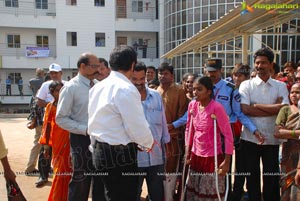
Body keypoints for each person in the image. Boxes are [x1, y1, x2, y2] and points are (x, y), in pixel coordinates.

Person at [88, 45, 154, 201]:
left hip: (99, 151)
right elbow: (136, 126)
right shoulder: (126, 89)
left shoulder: (97, 87)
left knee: (107, 195)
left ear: (110, 64)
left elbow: (92, 120)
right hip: (120, 156)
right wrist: (148, 142)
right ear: (132, 65)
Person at [205, 58, 263, 197]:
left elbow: (239, 114)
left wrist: (254, 130)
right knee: (207, 165)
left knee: (225, 165)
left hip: (225, 132)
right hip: (206, 131)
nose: (211, 74)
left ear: (221, 71)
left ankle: (225, 195)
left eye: (214, 71)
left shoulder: (231, 90)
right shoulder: (202, 86)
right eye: (209, 71)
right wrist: (175, 124)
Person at [239, 47, 289, 201]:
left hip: (272, 139)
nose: (259, 66)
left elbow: (284, 110)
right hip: (250, 138)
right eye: (257, 63)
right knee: (252, 177)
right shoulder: (246, 85)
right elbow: (245, 109)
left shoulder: (280, 86)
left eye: (263, 63)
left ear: (271, 64)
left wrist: (257, 106)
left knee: (271, 178)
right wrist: (274, 108)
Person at [56, 52, 103, 201]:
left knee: (100, 183)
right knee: (80, 183)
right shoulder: (71, 88)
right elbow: (61, 118)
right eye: (94, 66)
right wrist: (85, 129)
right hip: (81, 141)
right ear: (83, 66)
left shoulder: (98, 86)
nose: (98, 69)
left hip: (101, 141)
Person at [185, 76, 233, 200]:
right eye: (194, 89)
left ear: (209, 91)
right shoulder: (192, 106)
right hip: (196, 155)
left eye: (199, 89)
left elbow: (228, 135)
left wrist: (227, 161)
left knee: (209, 192)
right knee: (195, 191)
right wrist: (188, 151)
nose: (195, 92)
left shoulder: (217, 108)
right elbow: (189, 130)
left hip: (212, 157)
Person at [131, 62, 170, 201]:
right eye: (134, 79)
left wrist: (166, 146)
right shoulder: (126, 99)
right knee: (133, 194)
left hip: (157, 157)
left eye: (142, 79)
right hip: (135, 159)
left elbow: (163, 123)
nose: (139, 83)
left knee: (157, 194)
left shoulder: (156, 96)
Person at [156, 62, 188, 200]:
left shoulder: (179, 91)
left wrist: (172, 127)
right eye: (160, 73)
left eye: (166, 74)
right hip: (157, 140)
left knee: (171, 172)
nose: (162, 76)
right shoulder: (155, 91)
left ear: (172, 76)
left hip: (174, 139)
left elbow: (183, 115)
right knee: (159, 172)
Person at [39, 81, 72, 201]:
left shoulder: (70, 105)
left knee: (70, 168)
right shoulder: (50, 106)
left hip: (71, 140)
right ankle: (57, 197)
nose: (60, 92)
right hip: (58, 141)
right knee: (59, 169)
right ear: (52, 93)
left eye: (62, 89)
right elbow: (47, 127)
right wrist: (46, 147)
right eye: (57, 90)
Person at [35, 63, 65, 187]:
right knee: (45, 149)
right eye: (51, 73)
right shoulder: (45, 85)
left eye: (56, 72)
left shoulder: (67, 85)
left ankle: (64, 176)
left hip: (63, 127)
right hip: (49, 122)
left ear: (61, 73)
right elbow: (39, 101)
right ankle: (43, 176)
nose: (53, 75)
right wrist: (53, 105)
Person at [274, 83, 300, 200]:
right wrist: (297, 133)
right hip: (288, 154)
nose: (294, 95)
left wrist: (288, 132)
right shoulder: (285, 110)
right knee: (286, 185)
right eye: (292, 92)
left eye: (298, 92)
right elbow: (277, 132)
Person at [25, 68, 45, 176]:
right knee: (39, 143)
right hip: (41, 120)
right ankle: (30, 167)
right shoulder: (43, 86)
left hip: (38, 119)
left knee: (41, 144)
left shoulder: (33, 82)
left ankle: (41, 166)